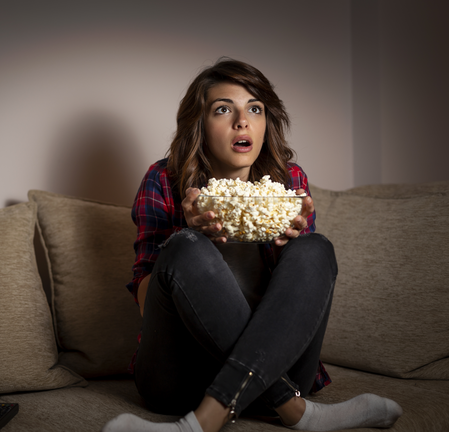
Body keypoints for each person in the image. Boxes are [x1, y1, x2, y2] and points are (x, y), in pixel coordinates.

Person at [102, 59, 403, 432]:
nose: (241, 121)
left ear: (265, 124)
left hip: (279, 363)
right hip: (179, 378)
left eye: (255, 109)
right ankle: (296, 411)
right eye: (223, 109)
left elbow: (302, 302)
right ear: (200, 124)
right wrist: (190, 238)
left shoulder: (290, 180)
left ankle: (201, 423)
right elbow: (148, 301)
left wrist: (284, 243)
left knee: (315, 249)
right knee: (184, 245)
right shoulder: (163, 179)